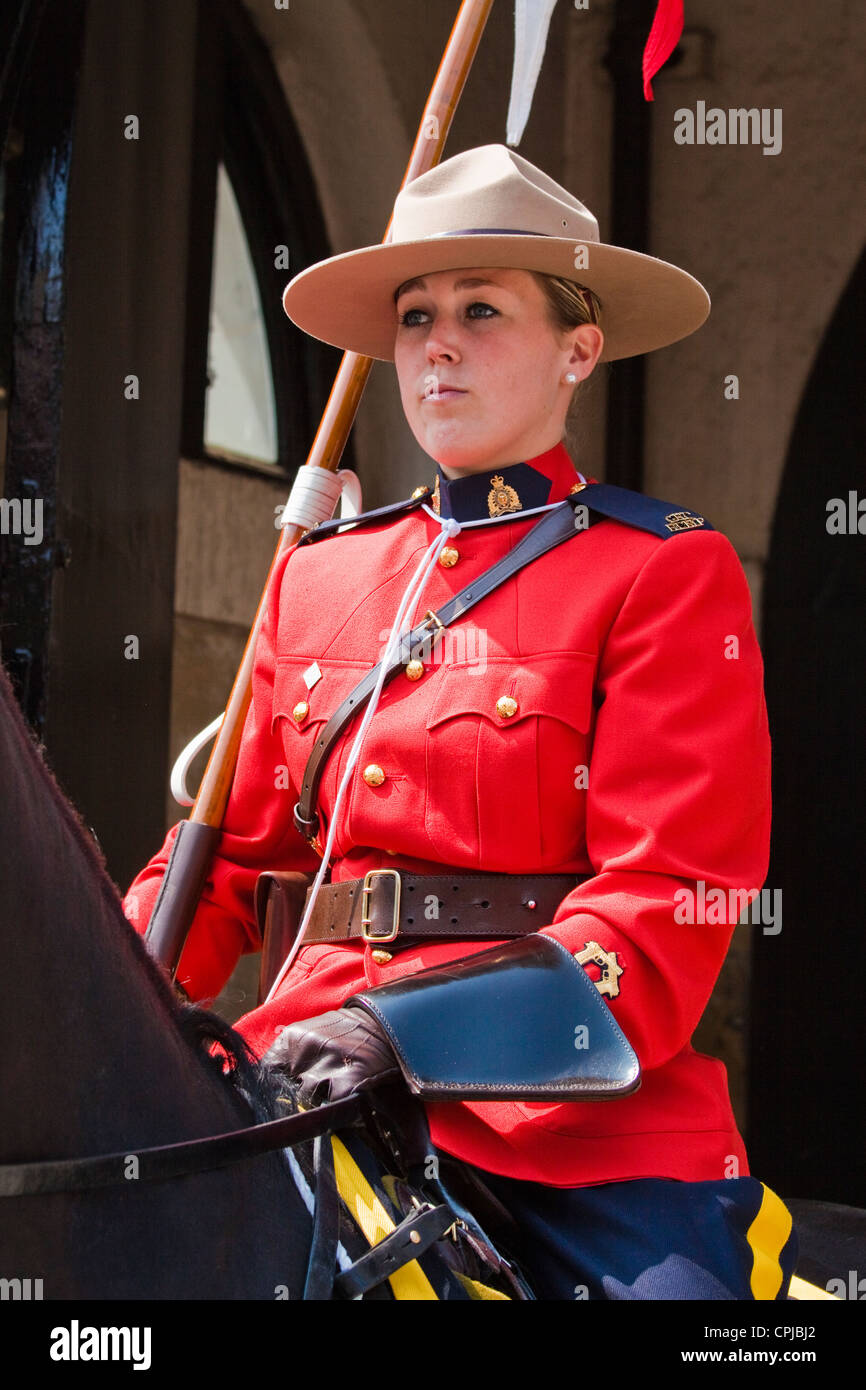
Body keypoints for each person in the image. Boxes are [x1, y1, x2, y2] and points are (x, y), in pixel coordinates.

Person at [125, 145, 797, 1300]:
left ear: (576, 351)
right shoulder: (316, 577)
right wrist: (102, 994)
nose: (436, 342)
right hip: (300, 1075)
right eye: (415, 314)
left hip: (565, 1129)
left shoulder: (659, 570)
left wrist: (406, 1034)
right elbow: (226, 865)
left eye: (480, 310)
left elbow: (662, 902)